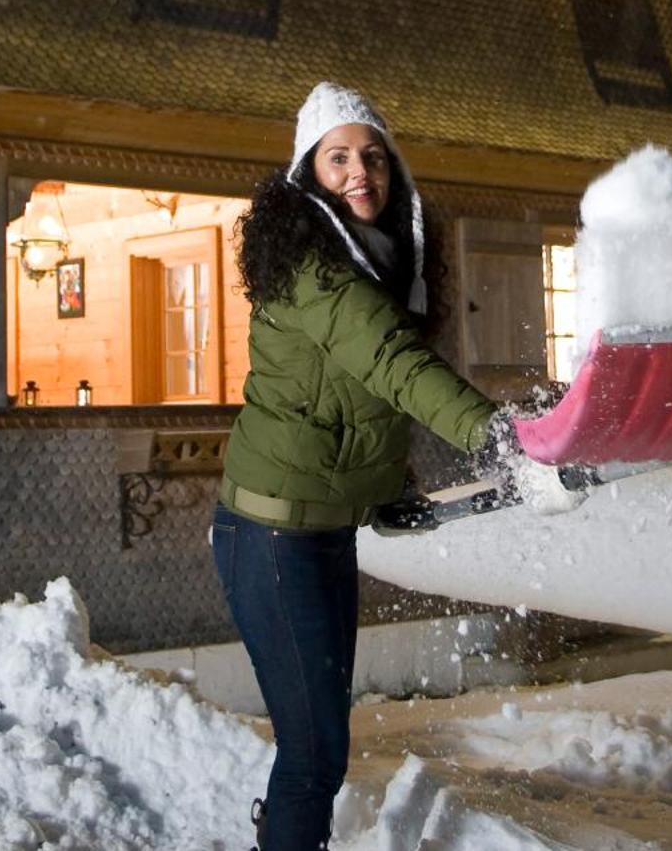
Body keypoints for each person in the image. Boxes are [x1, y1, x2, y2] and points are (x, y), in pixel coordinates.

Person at [213, 82, 506, 851]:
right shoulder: (314, 265)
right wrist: (496, 434)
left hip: (322, 529)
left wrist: (387, 485)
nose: (359, 172)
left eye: (372, 155)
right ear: (309, 172)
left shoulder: (379, 260)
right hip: (272, 534)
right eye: (337, 156)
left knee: (321, 746)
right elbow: (389, 362)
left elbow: (359, 404)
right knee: (313, 755)